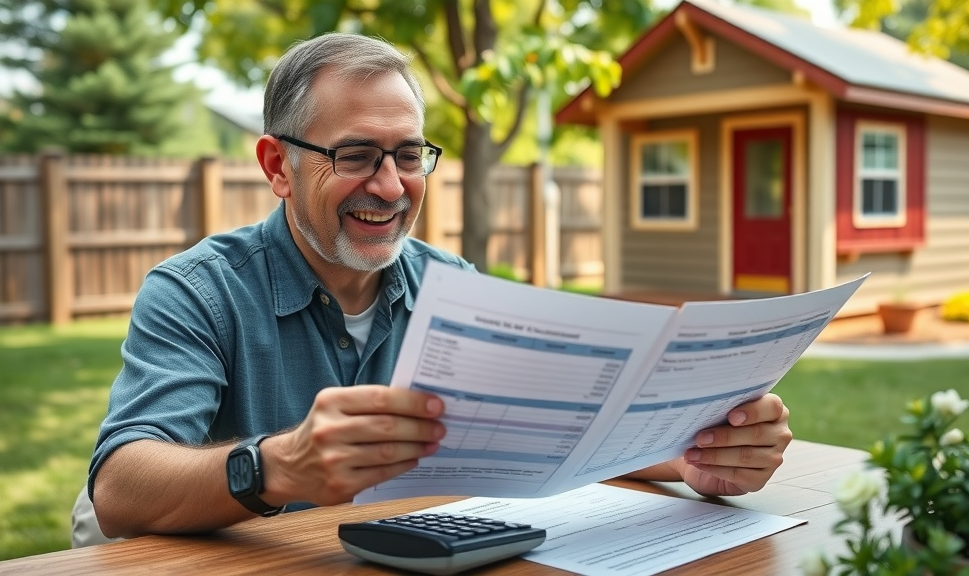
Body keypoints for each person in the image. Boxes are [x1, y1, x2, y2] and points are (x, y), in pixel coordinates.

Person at [77, 32, 793, 544]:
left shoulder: (456, 289)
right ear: (277, 165)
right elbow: (119, 487)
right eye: (356, 154)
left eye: (409, 154)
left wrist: (695, 458)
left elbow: (544, 444)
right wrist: (276, 467)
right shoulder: (195, 292)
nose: (390, 187)